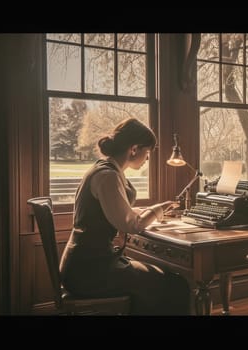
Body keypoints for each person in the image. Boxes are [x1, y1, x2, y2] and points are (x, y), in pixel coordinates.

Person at [59, 118, 191, 315]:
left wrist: (153, 210)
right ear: (134, 149)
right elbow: (132, 225)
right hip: (90, 271)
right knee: (177, 284)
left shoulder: (105, 169)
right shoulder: (108, 176)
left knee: (158, 279)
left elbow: (118, 212)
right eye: (147, 152)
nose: (147, 159)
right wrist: (158, 210)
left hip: (87, 263)